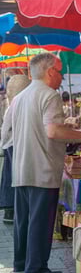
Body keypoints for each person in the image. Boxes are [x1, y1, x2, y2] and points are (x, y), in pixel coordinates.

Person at [11, 53, 81, 273]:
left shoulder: (21, 96)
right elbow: (53, 132)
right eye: (60, 71)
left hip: (22, 166)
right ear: (50, 72)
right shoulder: (49, 94)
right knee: (40, 219)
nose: (63, 76)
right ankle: (35, 270)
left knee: (24, 219)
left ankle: (21, 264)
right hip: (42, 167)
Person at [0, 75, 31, 224]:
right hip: (15, 146)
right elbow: (5, 131)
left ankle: (10, 210)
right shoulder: (16, 107)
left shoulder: (13, 106)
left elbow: (5, 132)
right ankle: (11, 210)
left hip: (12, 146)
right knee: (15, 179)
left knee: (12, 178)